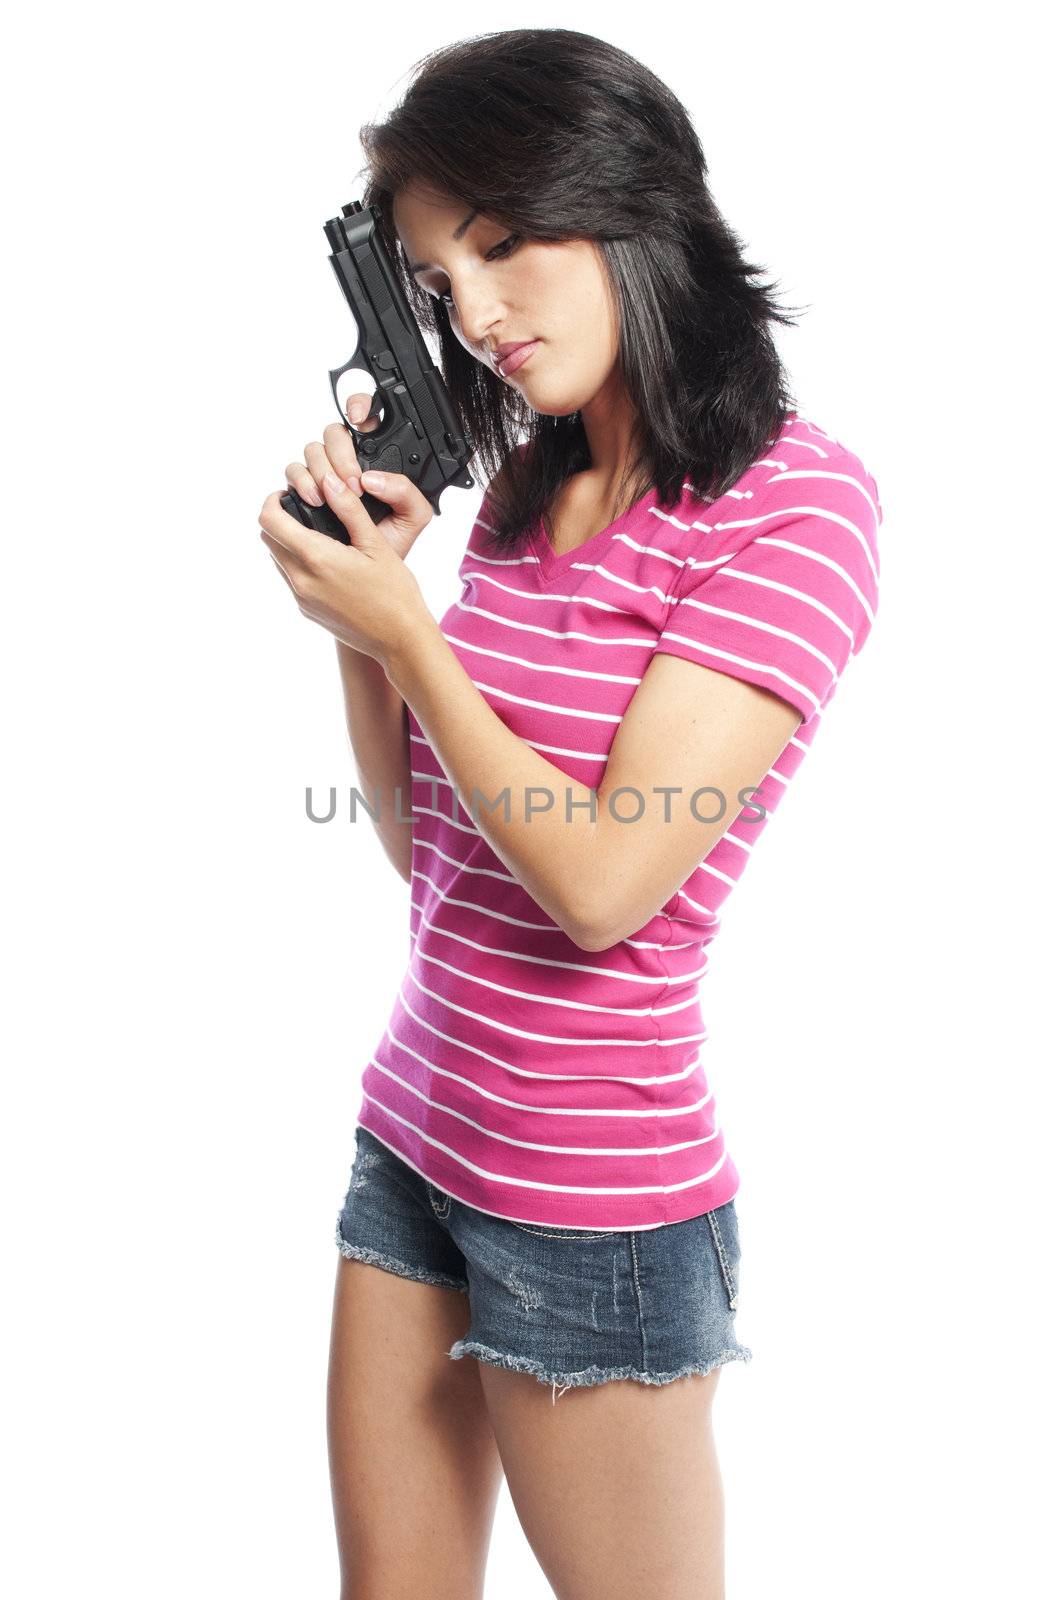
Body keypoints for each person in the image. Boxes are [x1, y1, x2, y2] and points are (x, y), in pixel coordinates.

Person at [258, 28, 882, 1600]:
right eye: (435, 274)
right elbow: (438, 863)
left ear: (625, 201)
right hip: (412, 1136)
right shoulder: (534, 483)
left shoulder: (797, 507)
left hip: (590, 1206)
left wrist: (405, 631)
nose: (472, 312)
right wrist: (366, 626)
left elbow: (602, 883)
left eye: (501, 242)